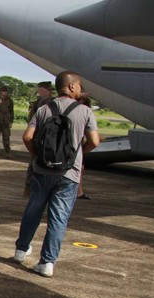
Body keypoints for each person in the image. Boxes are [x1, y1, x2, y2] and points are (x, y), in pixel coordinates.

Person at [14, 71, 100, 278]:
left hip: (42, 170)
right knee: (58, 217)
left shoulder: (44, 109)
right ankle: (47, 262)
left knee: (33, 210)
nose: (80, 88)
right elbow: (95, 142)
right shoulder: (85, 111)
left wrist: (36, 155)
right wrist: (78, 154)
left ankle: (20, 250)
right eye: (79, 85)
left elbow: (27, 137)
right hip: (68, 174)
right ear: (71, 87)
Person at [24, 81, 54, 198]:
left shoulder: (46, 102)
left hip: (42, 137)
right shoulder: (42, 102)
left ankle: (30, 187)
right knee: (35, 162)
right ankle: (30, 187)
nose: (39, 92)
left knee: (35, 161)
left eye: (41, 89)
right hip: (39, 137)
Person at [0, 85, 14, 158]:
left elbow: (12, 111)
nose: (5, 93)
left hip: (6, 121)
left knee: (6, 137)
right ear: (1, 92)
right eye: (3, 91)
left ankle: (8, 152)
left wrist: (11, 121)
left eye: (6, 91)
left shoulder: (10, 100)